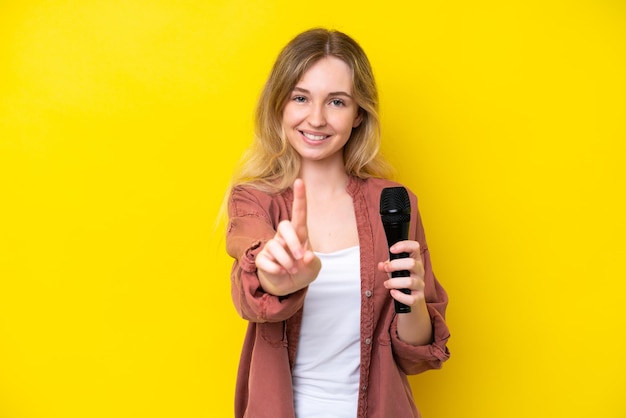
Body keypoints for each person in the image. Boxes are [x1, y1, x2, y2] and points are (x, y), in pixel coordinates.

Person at [224, 27, 450, 418]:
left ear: (359, 112)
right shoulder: (254, 201)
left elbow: (416, 355)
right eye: (300, 98)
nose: (316, 118)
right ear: (279, 104)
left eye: (337, 102)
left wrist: (411, 302)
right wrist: (282, 277)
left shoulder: (394, 204)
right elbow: (255, 287)